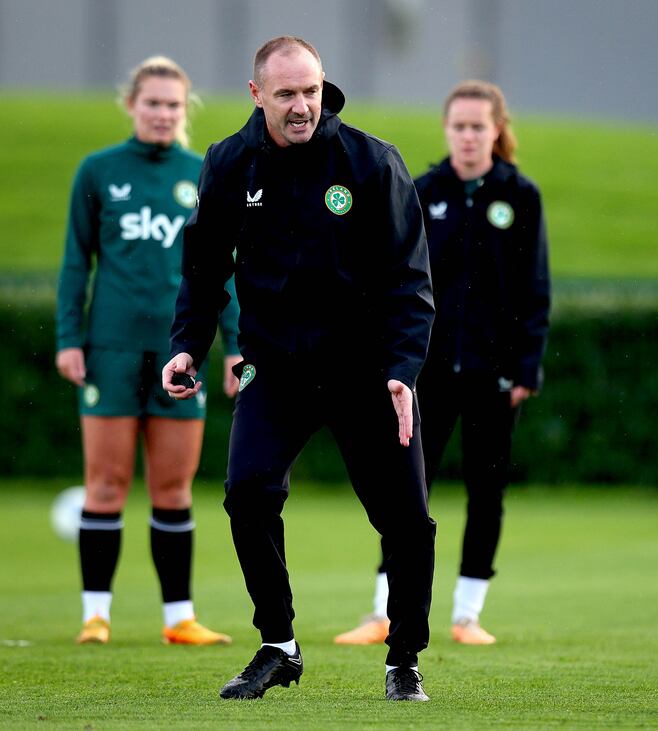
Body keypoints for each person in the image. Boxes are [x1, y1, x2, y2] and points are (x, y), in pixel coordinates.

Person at [161, 36, 436, 702]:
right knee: (247, 492)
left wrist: (402, 369)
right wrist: (187, 346)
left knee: (405, 518)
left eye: (310, 90)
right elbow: (203, 270)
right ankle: (278, 644)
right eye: (286, 94)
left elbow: (410, 277)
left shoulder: (371, 162)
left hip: (367, 370)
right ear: (258, 95)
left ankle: (404, 657)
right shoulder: (228, 163)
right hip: (276, 368)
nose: (302, 106)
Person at [334, 80, 550, 647]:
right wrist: (393, 360)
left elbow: (536, 289)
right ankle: (384, 610)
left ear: (497, 130)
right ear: (446, 129)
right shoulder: (423, 189)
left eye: (480, 126)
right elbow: (393, 280)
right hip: (424, 373)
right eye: (459, 126)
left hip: (493, 374)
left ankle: (467, 615)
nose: (469, 135)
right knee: (405, 490)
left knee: (487, 491)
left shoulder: (520, 196)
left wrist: (526, 368)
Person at [56, 56, 241, 647]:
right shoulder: (97, 171)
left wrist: (236, 346)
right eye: (153, 103)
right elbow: (73, 263)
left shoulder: (204, 172)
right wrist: (68, 338)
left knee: (173, 488)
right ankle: (95, 614)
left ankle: (178, 618)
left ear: (185, 111)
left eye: (173, 105)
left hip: (179, 354)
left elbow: (222, 272)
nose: (163, 113)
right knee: (105, 483)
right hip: (110, 351)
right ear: (132, 105)